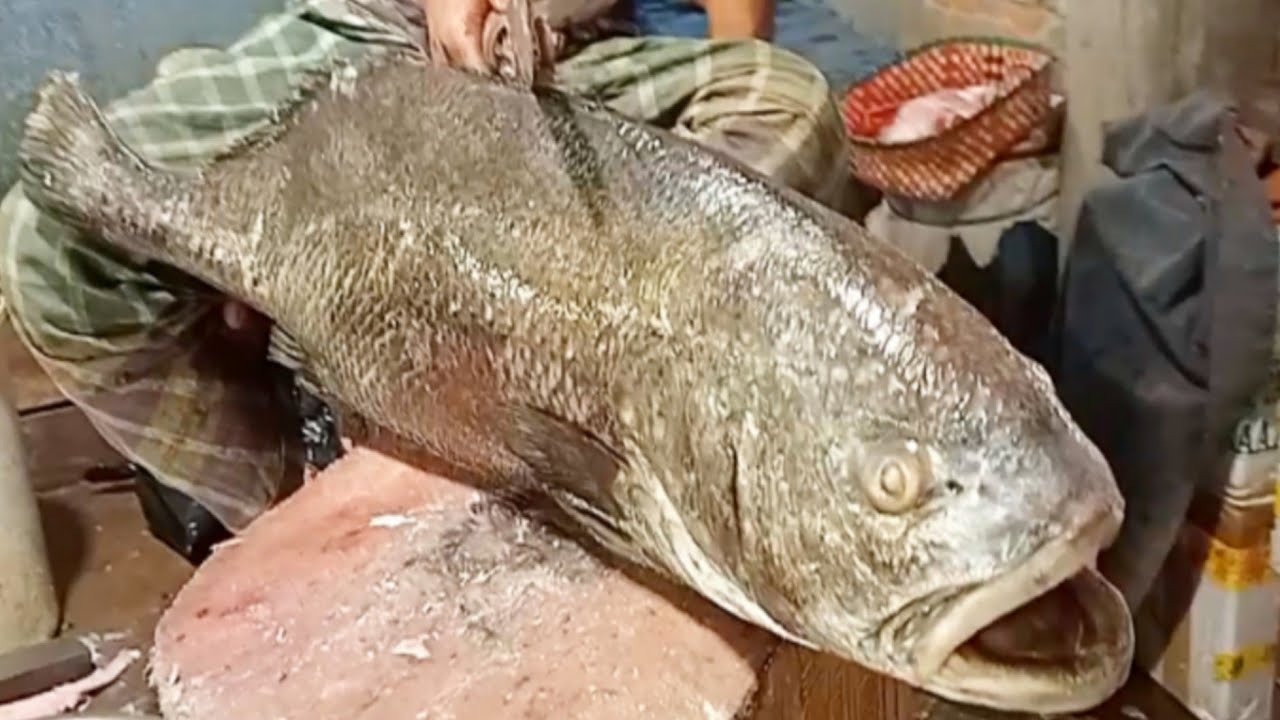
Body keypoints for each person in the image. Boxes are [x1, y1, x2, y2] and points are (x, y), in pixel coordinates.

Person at [0, 0, 867, 562]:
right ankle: (307, 516)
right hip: (357, 37)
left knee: (786, 105)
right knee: (51, 243)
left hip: (565, 61)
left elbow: (741, 47)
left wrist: (705, 187)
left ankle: (614, 420)